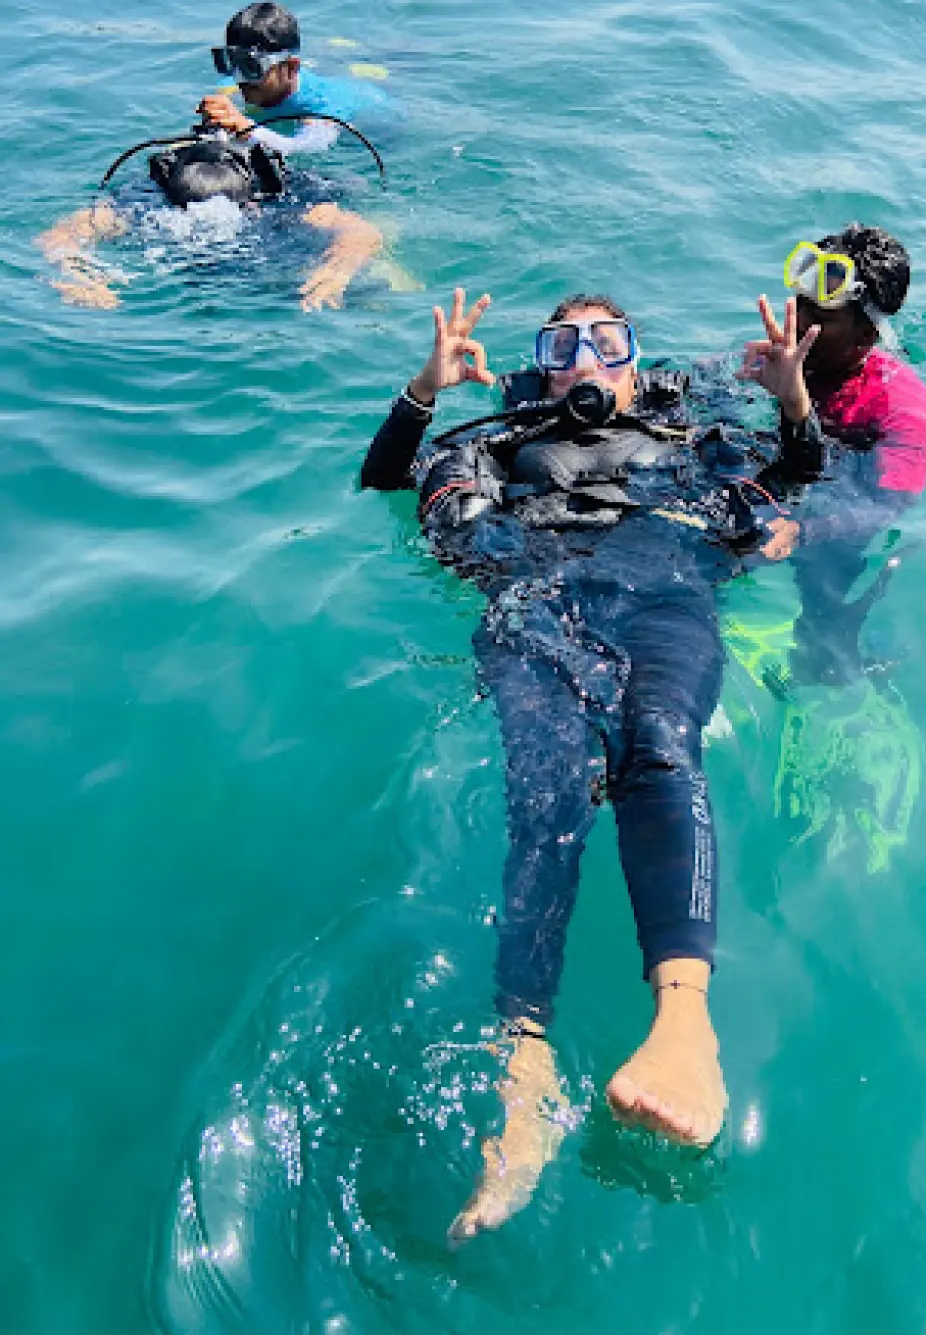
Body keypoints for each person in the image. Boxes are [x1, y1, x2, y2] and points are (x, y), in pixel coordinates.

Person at [359, 288, 814, 1239]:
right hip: (533, 598)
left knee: (659, 746)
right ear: (543, 365)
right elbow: (385, 480)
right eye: (565, 343)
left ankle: (683, 1023)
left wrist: (792, 402)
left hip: (664, 592)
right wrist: (425, 388)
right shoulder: (498, 437)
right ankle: (524, 1059)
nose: (588, 358)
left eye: (610, 341)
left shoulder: (689, 431)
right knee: (546, 787)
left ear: (636, 364)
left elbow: (794, 485)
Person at [737, 223, 926, 683]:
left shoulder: (905, 406)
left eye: (820, 317)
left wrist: (806, 531)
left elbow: (889, 505)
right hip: (783, 474)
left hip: (838, 509)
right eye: (801, 305)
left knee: (826, 612)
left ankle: (836, 681)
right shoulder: (778, 358)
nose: (799, 323)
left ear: (865, 336)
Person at [36, 130, 383, 311]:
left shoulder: (283, 198)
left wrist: (338, 269)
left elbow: (361, 233)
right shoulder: (147, 200)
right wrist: (78, 272)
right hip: (204, 290)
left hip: (274, 275)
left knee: (377, 293)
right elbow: (61, 235)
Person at [199, 3, 397, 157]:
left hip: (380, 128)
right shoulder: (234, 85)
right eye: (232, 63)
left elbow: (304, 149)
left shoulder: (319, 108)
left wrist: (248, 131)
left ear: (291, 67)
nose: (238, 78)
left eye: (251, 67)